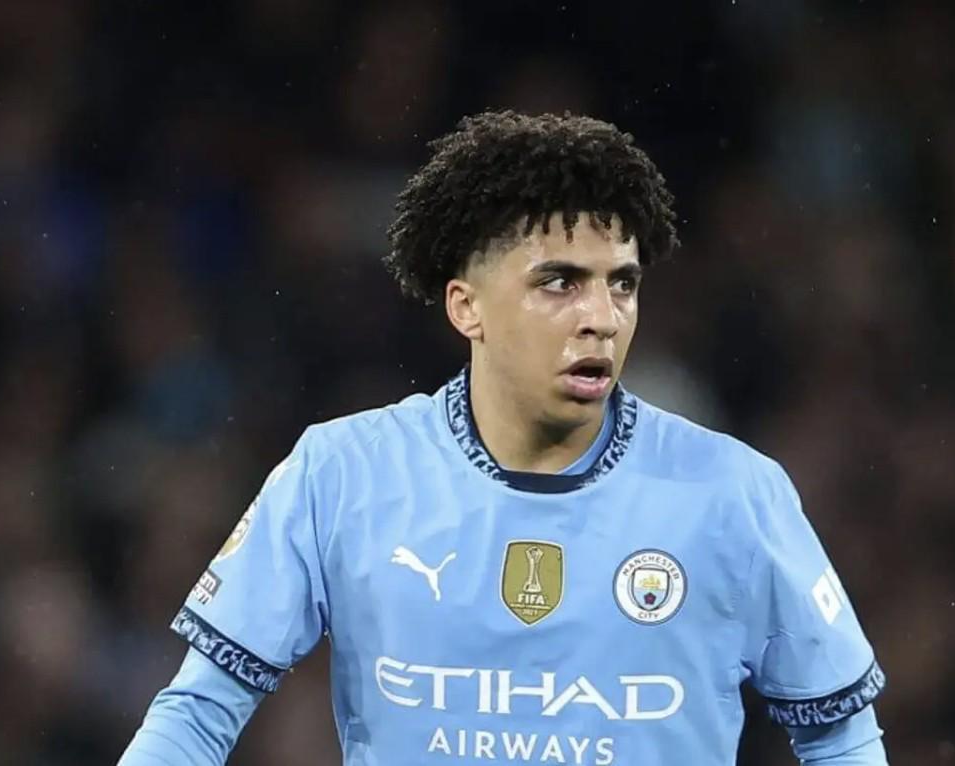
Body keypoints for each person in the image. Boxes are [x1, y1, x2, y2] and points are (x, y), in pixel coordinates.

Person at [118, 110, 888, 765]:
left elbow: (840, 737)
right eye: (560, 282)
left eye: (622, 283)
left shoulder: (732, 493)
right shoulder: (342, 474)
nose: (602, 317)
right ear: (467, 307)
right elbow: (199, 712)